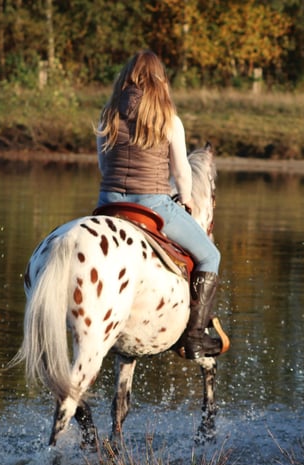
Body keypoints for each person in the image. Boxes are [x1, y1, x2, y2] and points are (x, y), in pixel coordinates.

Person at [95, 49, 224, 359]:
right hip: (152, 204)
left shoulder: (108, 115)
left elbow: (102, 166)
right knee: (210, 255)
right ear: (160, 81)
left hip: (108, 203)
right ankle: (194, 336)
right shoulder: (168, 119)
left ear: (125, 78)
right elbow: (181, 172)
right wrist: (187, 199)